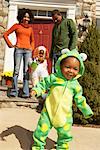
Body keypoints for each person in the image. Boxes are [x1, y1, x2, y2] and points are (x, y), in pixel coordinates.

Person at [31, 49, 93, 150]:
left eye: (75, 69)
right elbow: (43, 84)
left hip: (65, 115)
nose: (71, 71)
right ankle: (38, 146)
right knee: (41, 131)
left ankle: (62, 147)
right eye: (67, 67)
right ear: (60, 66)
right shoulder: (54, 78)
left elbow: (80, 99)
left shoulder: (75, 85)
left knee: (65, 134)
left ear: (79, 70)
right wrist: (37, 90)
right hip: (48, 112)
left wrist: (86, 110)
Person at [3, 8, 35, 98]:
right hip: (19, 50)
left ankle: (25, 93)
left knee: (26, 72)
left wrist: (31, 48)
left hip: (27, 51)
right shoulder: (16, 26)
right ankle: (14, 92)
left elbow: (32, 40)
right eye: (24, 17)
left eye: (28, 17)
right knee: (16, 71)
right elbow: (5, 34)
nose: (26, 19)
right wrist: (10, 45)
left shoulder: (30, 29)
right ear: (21, 17)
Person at [29, 45, 49, 112]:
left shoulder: (45, 62)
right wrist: (36, 61)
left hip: (42, 76)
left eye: (42, 53)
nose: (41, 55)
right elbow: (32, 68)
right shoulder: (34, 61)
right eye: (39, 53)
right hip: (35, 75)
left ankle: (42, 99)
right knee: (35, 83)